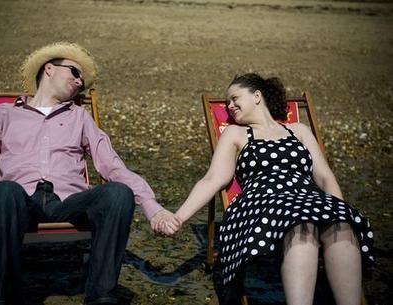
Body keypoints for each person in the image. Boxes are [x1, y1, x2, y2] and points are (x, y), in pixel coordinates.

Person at [0, 42, 181, 305]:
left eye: (83, 82)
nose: (80, 82)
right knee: (4, 190)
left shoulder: (80, 117)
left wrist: (151, 206)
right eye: (75, 73)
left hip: (68, 201)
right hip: (18, 201)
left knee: (118, 193)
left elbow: (111, 165)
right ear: (50, 69)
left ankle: (101, 295)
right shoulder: (4, 115)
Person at [159, 73, 374, 305]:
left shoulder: (299, 130)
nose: (229, 106)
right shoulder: (236, 134)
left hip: (307, 199)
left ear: (257, 96)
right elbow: (213, 179)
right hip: (262, 202)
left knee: (341, 226)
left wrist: (338, 210)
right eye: (227, 103)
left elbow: (324, 177)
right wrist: (179, 217)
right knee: (302, 224)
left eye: (234, 98)